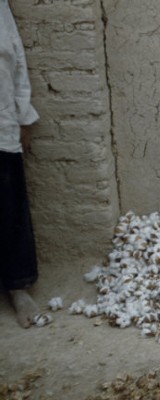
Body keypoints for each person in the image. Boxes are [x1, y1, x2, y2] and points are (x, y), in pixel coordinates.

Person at [1, 0, 41, 328]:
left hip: (0, 121)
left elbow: (15, 59)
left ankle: (18, 286)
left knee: (9, 203)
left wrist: (23, 114)